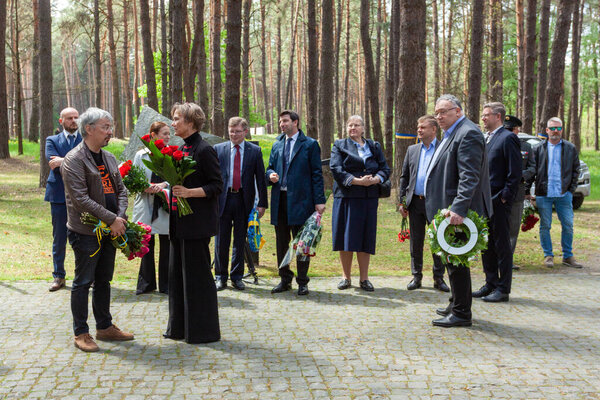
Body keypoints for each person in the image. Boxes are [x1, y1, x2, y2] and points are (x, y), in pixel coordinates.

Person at [62, 107, 134, 352]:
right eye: (105, 127)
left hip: (110, 230)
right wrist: (111, 219)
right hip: (86, 231)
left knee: (104, 279)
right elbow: (81, 199)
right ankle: (81, 333)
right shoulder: (73, 160)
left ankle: (104, 327)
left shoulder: (109, 157)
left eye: (109, 127)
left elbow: (121, 190)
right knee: (83, 281)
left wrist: (119, 219)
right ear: (89, 129)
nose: (109, 132)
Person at [425, 94, 492, 328]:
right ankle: (456, 303)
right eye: (437, 112)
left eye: (444, 111)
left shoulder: (468, 133)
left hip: (457, 213)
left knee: (457, 261)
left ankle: (462, 313)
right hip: (446, 209)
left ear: (458, 111)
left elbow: (469, 176)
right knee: (450, 259)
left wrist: (458, 208)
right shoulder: (452, 133)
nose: (439, 116)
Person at [164, 102, 223, 344]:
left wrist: (190, 193)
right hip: (180, 223)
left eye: (177, 119)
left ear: (190, 122)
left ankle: (203, 332)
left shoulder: (204, 149)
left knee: (197, 278)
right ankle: (179, 328)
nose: (173, 123)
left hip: (197, 225)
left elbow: (216, 186)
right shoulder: (182, 148)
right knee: (178, 277)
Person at [266, 110, 326, 296]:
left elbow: (317, 174)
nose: (282, 124)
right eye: (280, 122)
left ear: (296, 122)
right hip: (280, 200)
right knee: (282, 243)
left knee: (302, 243)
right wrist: (270, 175)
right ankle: (285, 279)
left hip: (302, 201)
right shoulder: (277, 144)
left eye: (285, 121)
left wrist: (319, 201)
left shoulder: (309, 145)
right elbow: (269, 168)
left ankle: (302, 282)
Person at [329, 116, 390, 292]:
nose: (353, 128)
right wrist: (357, 181)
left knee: (365, 237)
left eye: (356, 125)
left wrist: (376, 180)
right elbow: (336, 169)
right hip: (347, 196)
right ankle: (345, 277)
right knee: (345, 238)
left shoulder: (374, 146)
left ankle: (364, 279)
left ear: (363, 128)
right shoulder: (339, 145)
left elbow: (385, 169)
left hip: (368, 197)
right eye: (350, 125)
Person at [474, 103, 521, 303]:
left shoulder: (508, 138)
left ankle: (503, 289)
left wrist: (504, 197)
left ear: (498, 116)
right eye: (483, 115)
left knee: (502, 246)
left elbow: (514, 172)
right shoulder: (486, 138)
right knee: (487, 244)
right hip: (484, 200)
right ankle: (490, 282)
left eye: (486, 115)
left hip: (499, 201)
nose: (483, 118)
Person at [214, 117, 268, 291]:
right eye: (231, 131)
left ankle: (237, 276)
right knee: (221, 239)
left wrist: (262, 205)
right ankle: (220, 276)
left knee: (239, 239)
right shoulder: (218, 149)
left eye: (237, 131)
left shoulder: (255, 151)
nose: (234, 134)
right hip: (223, 199)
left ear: (245, 132)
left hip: (244, 200)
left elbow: (260, 178)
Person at [398, 115, 449, 293]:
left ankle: (439, 278)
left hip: (436, 204)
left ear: (434, 130)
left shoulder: (444, 148)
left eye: (423, 127)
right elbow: (404, 177)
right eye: (418, 127)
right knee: (416, 242)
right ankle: (416, 276)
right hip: (415, 203)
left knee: (438, 241)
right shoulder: (412, 150)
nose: (419, 130)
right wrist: (402, 201)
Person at [532, 117, 583, 269]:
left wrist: (570, 190)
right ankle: (548, 255)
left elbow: (576, 170)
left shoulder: (570, 148)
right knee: (545, 225)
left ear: (562, 130)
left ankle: (568, 256)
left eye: (558, 128)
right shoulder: (538, 148)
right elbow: (533, 170)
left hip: (563, 195)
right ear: (547, 130)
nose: (555, 131)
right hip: (543, 194)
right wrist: (529, 191)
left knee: (568, 225)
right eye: (552, 128)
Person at [45, 107, 82, 292]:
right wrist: (73, 162)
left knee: (82, 238)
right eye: (70, 118)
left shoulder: (85, 140)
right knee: (59, 238)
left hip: (82, 197)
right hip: (59, 196)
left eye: (76, 117)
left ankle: (83, 277)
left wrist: (63, 160)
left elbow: (88, 163)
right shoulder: (51, 140)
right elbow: (54, 165)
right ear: (61, 121)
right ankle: (58, 276)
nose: (74, 120)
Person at [132, 121, 171, 295]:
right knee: (146, 243)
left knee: (167, 245)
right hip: (146, 203)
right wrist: (144, 186)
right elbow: (134, 177)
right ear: (153, 135)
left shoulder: (170, 155)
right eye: (165, 133)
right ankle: (146, 283)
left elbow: (176, 179)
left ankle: (167, 284)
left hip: (165, 206)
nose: (168, 137)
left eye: (169, 134)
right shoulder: (141, 155)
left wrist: (164, 184)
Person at [504, 115, 536, 271]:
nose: (510, 132)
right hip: (499, 191)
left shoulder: (525, 146)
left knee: (513, 227)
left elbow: (532, 168)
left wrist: (519, 175)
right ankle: (495, 259)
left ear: (517, 130)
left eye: (512, 129)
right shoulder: (498, 143)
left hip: (517, 192)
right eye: (507, 129)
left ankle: (508, 259)